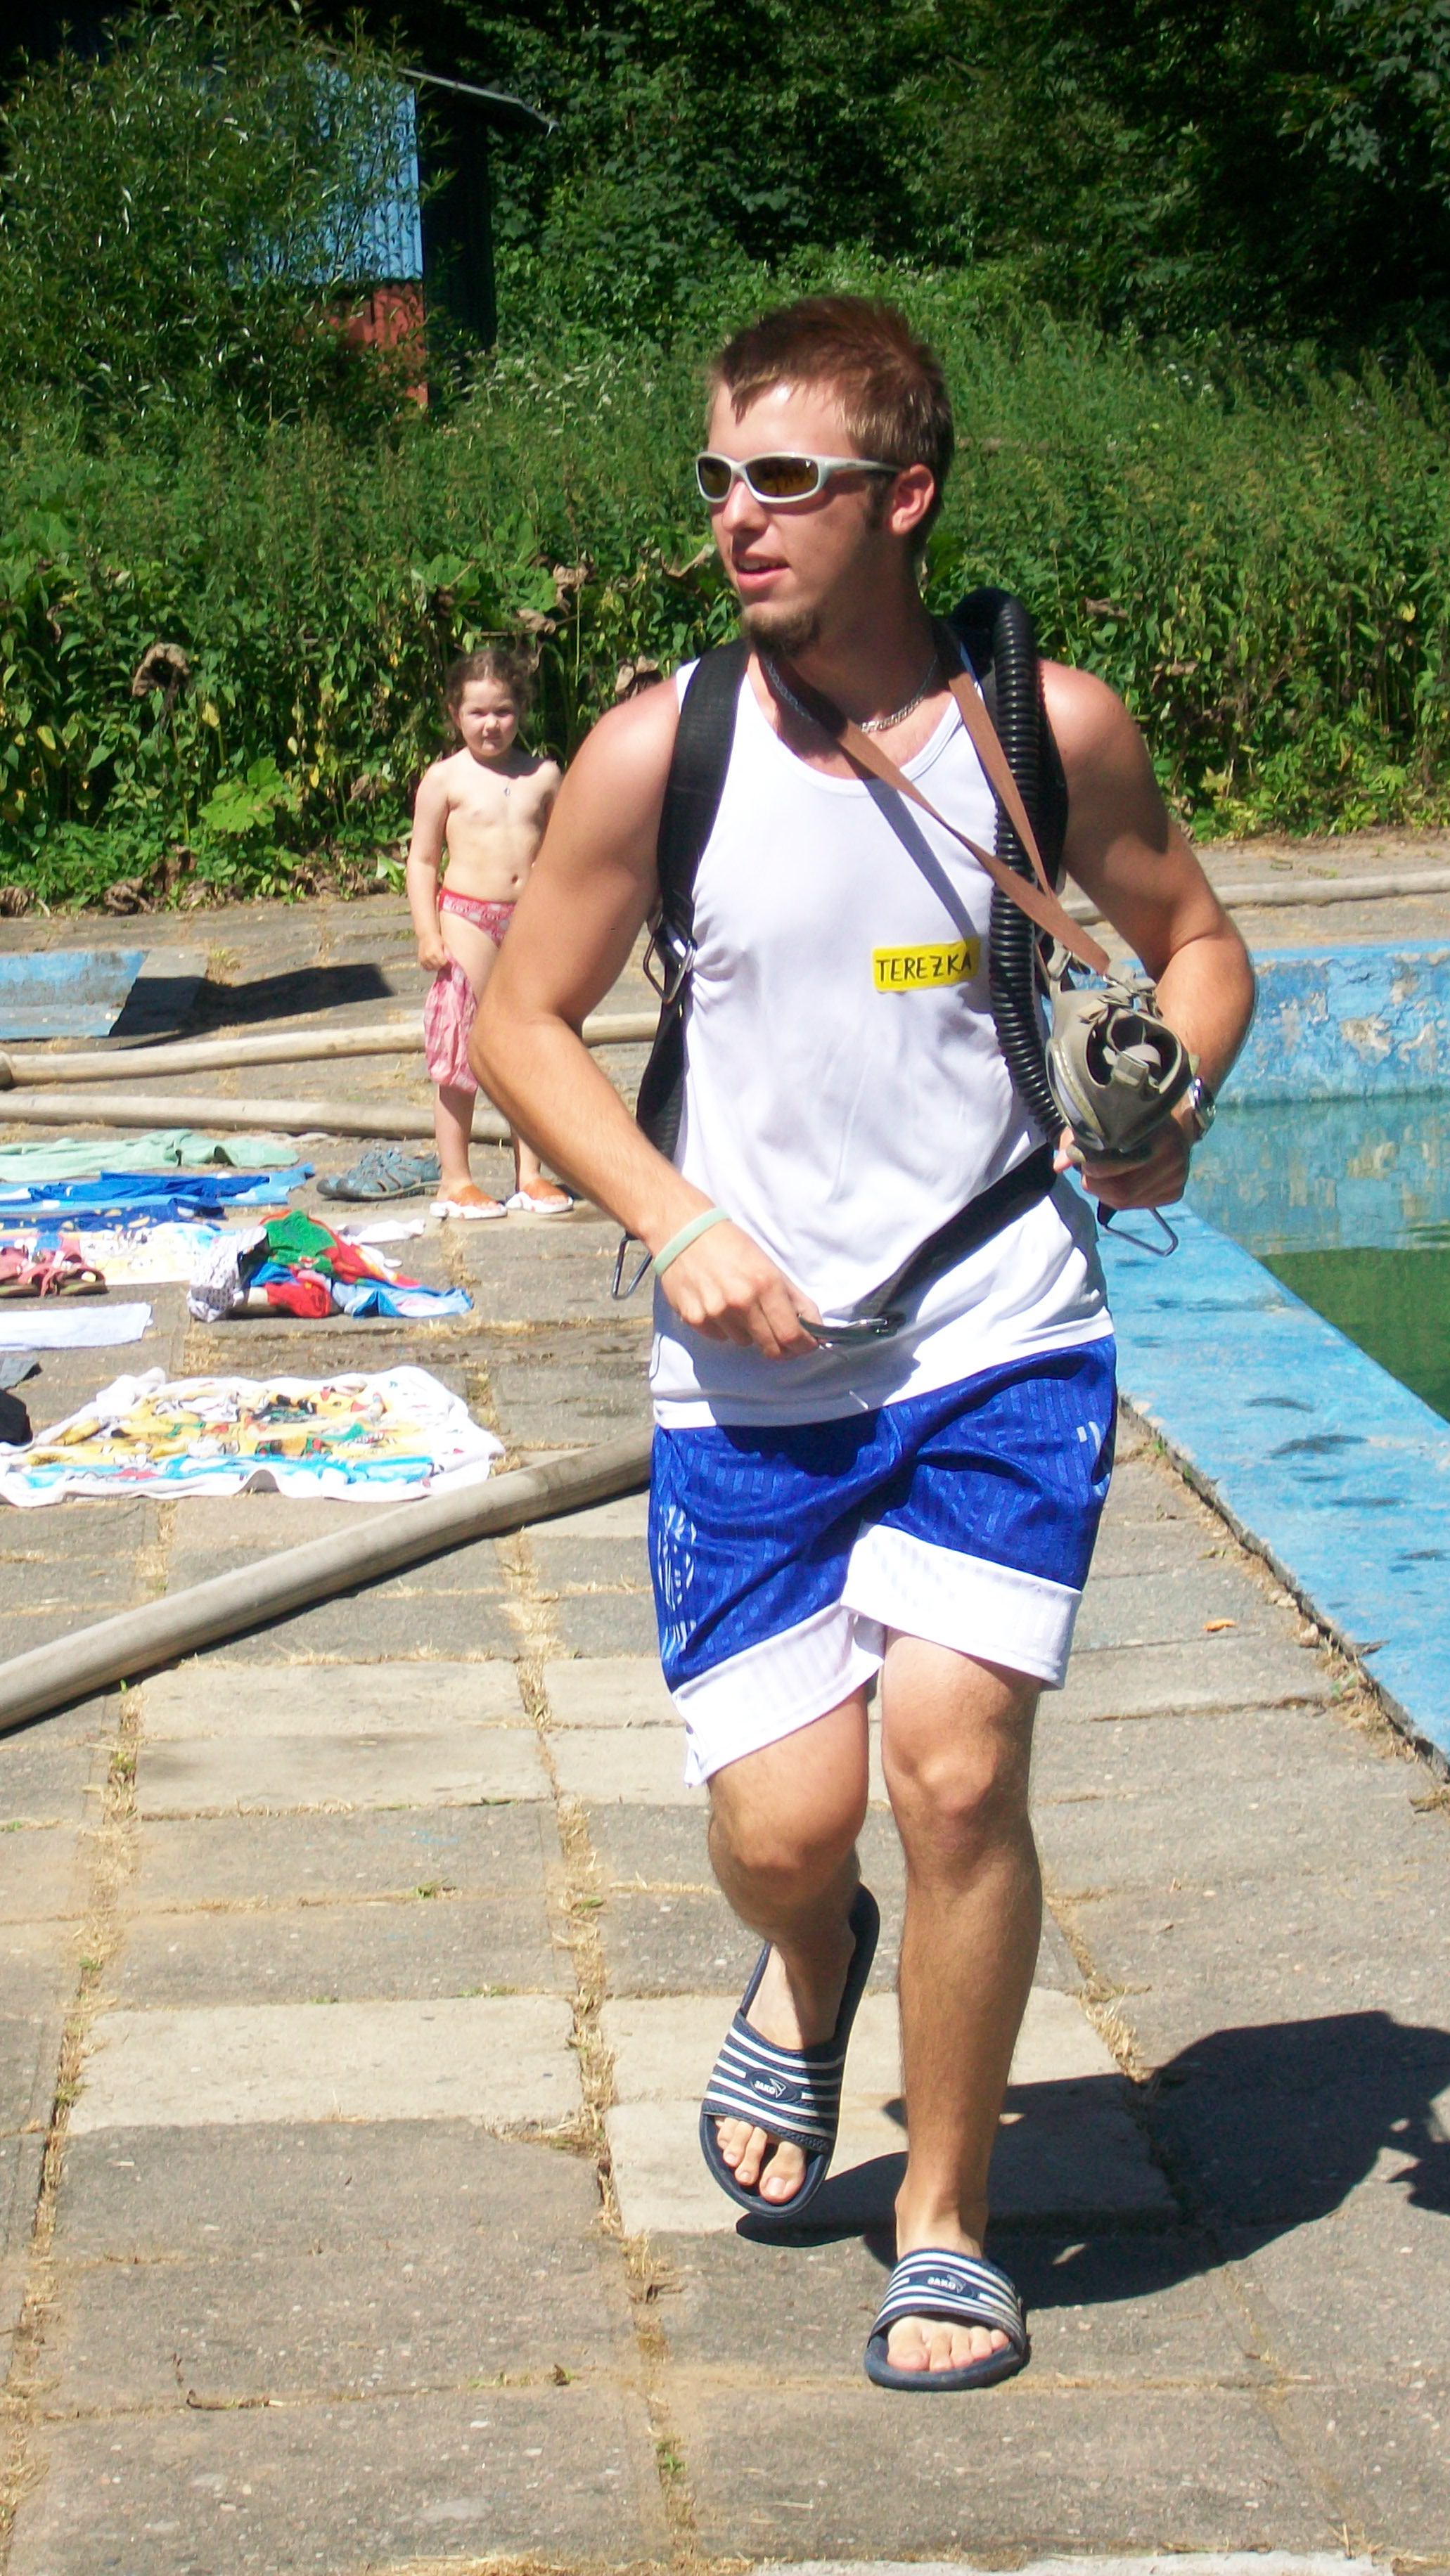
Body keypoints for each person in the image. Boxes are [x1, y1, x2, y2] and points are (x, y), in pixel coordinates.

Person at [473, 296, 1255, 2389]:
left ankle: (947, 2224)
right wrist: (676, 1222)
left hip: (998, 1334)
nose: (736, 517)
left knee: (956, 1770)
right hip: (749, 1378)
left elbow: (1195, 943)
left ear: (902, 498)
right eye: (718, 477)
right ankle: (809, 1962)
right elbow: (519, 1024)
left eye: (785, 479)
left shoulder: (1046, 733)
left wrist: (1162, 1094)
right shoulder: (661, 751)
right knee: (788, 1829)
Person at [406, 646, 573, 1218]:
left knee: (529, 1041)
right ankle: (455, 1178)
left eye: (502, 711)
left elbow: (564, 850)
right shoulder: (445, 779)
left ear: (520, 710)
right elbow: (423, 860)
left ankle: (531, 1173)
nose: (491, 724)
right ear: (455, 714)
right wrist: (427, 931)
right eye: (477, 713)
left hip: (529, 917)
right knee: (463, 1045)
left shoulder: (543, 775)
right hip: (467, 916)